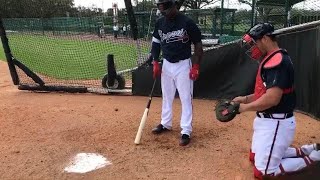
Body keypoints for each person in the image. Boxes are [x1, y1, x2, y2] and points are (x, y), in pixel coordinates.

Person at [233, 22, 320, 179]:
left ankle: (313, 159)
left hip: (276, 123)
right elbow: (264, 93)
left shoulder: (277, 61)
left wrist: (244, 108)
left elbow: (272, 99)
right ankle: (306, 150)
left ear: (265, 39)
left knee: (264, 172)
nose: (253, 48)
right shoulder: (271, 58)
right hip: (267, 121)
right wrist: (245, 99)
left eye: (255, 42)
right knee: (254, 157)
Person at [150, 0, 203, 146]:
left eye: (166, 10)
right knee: (167, 96)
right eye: (162, 11)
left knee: (186, 98)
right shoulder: (160, 23)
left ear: (174, 6)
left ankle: (186, 130)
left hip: (183, 64)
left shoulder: (187, 23)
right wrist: (155, 61)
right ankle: (165, 123)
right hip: (167, 64)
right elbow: (155, 43)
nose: (164, 14)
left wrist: (196, 65)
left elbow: (198, 45)